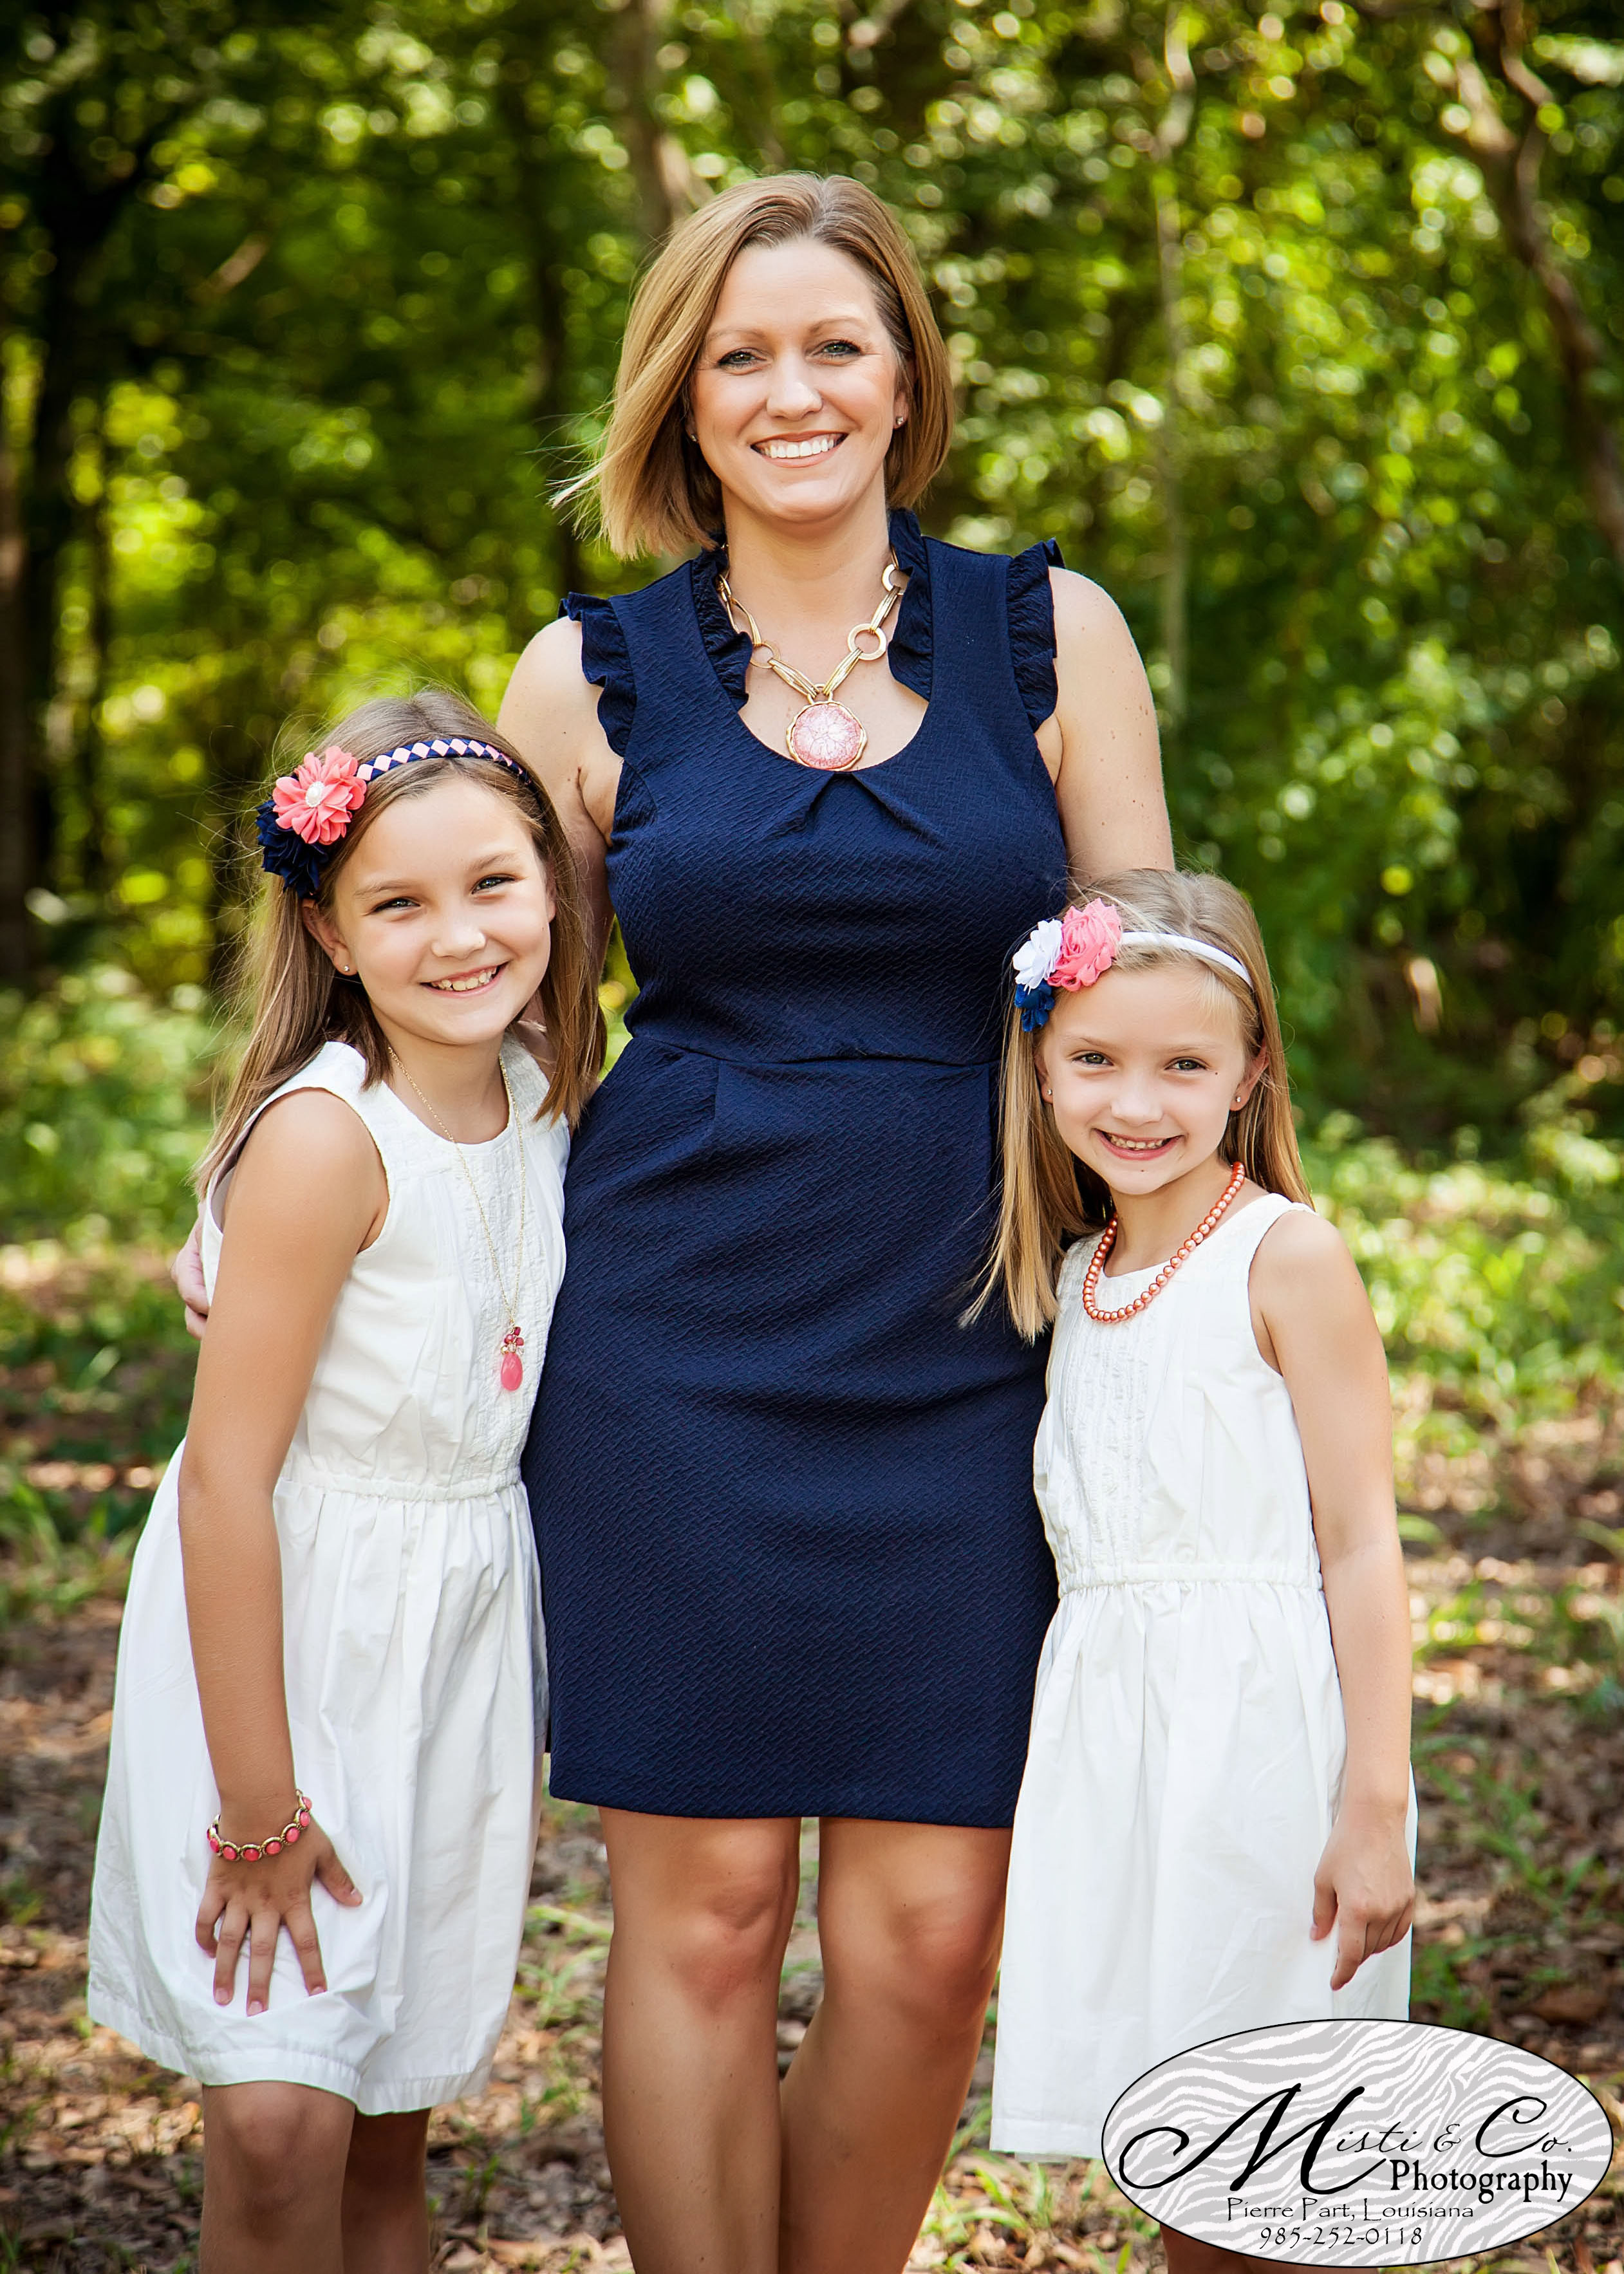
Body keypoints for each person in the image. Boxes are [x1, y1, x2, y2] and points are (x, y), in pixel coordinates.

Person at [496, 173, 1172, 2273]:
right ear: (681, 397)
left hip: (976, 1337)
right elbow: (496, 1034)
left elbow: (1150, 991)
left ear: (903, 380)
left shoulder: (1050, 636)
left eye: (832, 346)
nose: (789, 392)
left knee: (928, 1929)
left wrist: (1225, 1275)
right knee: (698, 1915)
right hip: (670, 1346)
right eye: (740, 354)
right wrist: (284, 1198)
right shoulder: (582, 673)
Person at [91, 693, 600, 2274]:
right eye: (398, 904)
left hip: (453, 1636)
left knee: (385, 2126)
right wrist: (257, 1806)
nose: (458, 936)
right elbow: (227, 1481)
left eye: (493, 883)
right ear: (327, 927)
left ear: (555, 885)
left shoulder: (554, 1096)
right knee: (276, 2124)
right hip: (285, 1626)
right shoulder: (327, 1138)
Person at [983, 870, 1415, 2269]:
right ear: (1039, 1070)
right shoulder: (1077, 1278)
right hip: (1119, 1758)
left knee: (1272, 2157)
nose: (1136, 1101)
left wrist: (1374, 1801)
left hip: (1259, 1752)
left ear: (1249, 1073)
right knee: (1180, 2158)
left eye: (1183, 1065)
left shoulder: (1286, 1259)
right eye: (1094, 1060)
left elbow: (1359, 1541)